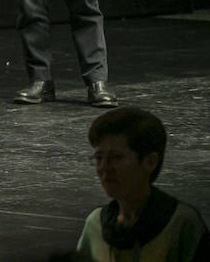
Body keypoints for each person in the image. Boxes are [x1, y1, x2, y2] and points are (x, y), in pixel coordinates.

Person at [78, 107, 210, 261]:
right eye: (99, 157)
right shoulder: (95, 225)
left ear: (150, 162)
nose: (104, 167)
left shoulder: (180, 224)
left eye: (116, 157)